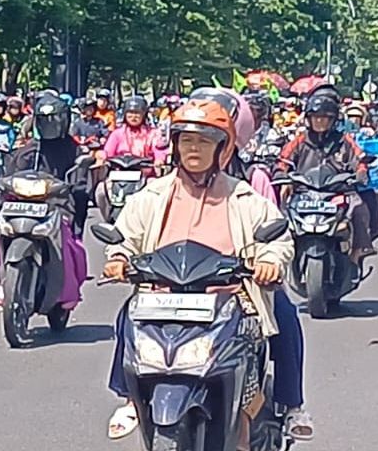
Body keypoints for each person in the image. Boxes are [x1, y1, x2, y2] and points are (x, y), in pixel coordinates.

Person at [102, 99, 311, 442]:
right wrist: (119, 258)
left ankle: (290, 407)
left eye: (203, 141)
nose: (194, 149)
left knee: (282, 315)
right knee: (127, 314)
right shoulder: (151, 196)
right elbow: (126, 237)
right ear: (175, 146)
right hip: (163, 299)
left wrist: (271, 262)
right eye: (186, 141)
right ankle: (129, 397)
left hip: (230, 299)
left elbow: (277, 238)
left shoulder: (244, 197)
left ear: (223, 148)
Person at [0, 93, 92, 306]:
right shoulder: (28, 149)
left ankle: (67, 294)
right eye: (45, 121)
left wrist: (73, 190)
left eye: (55, 120)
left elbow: (81, 186)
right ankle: (3, 282)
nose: (50, 125)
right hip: (25, 205)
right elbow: (12, 173)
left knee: (69, 246)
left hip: (58, 206)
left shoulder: (73, 150)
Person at [278, 90, 376, 263]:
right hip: (304, 192)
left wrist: (361, 172)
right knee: (280, 209)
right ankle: (278, 251)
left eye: (324, 117)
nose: (320, 121)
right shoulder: (300, 140)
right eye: (316, 117)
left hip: (338, 192)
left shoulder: (344, 140)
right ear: (308, 119)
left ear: (333, 120)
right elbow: (283, 160)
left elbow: (359, 158)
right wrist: (282, 176)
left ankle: (359, 249)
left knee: (359, 206)